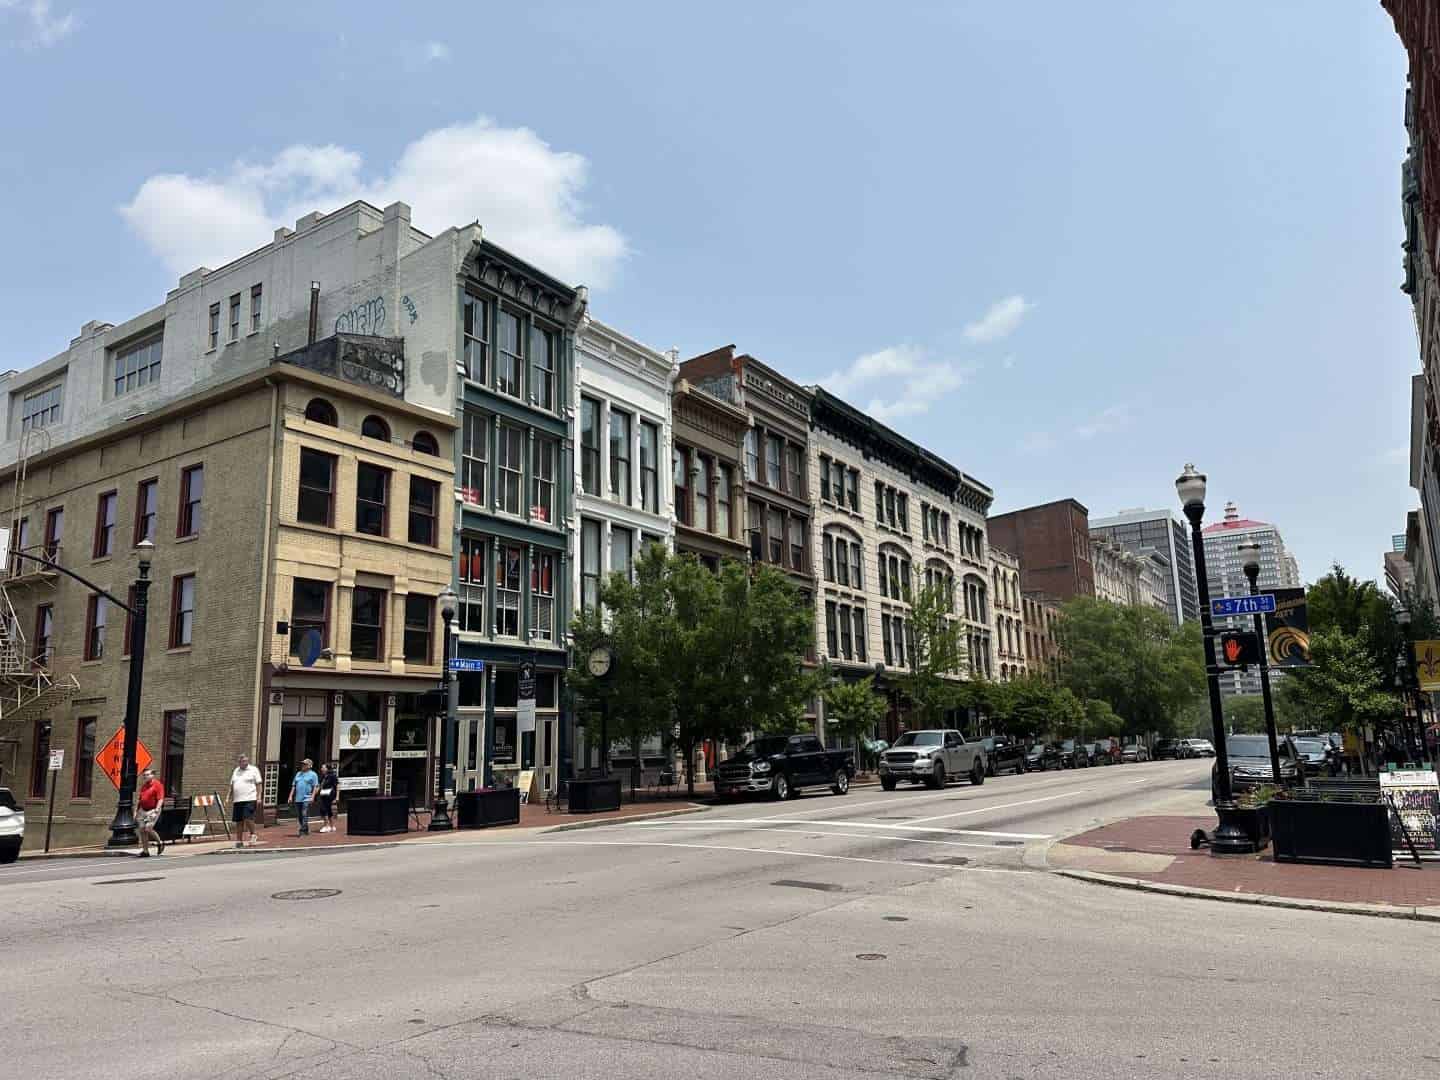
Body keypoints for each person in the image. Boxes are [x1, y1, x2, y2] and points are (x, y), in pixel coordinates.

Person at [230, 754, 264, 848]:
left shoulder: (253, 770)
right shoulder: (236, 770)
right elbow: (232, 784)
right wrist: (228, 796)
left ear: (247, 761)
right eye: (241, 761)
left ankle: (253, 834)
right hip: (237, 799)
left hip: (250, 798)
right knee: (239, 821)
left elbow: (259, 784)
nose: (243, 763)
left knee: (247, 817)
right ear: (239, 762)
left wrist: (259, 797)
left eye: (245, 761)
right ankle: (239, 840)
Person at [137, 768, 165, 857]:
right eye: (144, 775)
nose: (146, 776)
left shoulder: (158, 785)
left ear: (153, 775)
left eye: (148, 774)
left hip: (153, 809)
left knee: (148, 828)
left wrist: (157, 809)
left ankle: (160, 843)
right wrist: (136, 811)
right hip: (143, 810)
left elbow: (160, 799)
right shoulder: (144, 786)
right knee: (142, 829)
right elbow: (140, 799)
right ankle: (145, 851)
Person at [288, 758, 319, 837]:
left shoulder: (313, 774)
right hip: (298, 797)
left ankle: (302, 830)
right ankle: (306, 829)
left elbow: (315, 786)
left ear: (309, 766)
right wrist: (290, 796)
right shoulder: (298, 774)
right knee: (300, 815)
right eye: (302, 764)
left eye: (304, 764)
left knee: (304, 813)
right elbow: (294, 786)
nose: (302, 765)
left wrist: (313, 797)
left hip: (307, 797)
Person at [316, 762, 339, 833]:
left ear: (327, 769)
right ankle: (331, 826)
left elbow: (337, 786)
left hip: (330, 795)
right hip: (323, 794)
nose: (321, 769)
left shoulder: (332, 776)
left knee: (324, 810)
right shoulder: (323, 776)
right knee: (327, 810)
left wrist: (337, 797)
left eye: (323, 767)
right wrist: (315, 794)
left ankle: (326, 826)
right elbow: (319, 786)